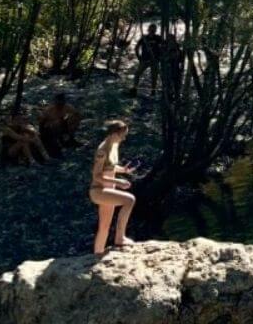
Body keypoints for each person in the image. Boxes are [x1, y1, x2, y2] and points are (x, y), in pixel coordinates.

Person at [89, 119, 136, 255]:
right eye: (123, 135)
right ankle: (120, 238)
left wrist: (124, 170)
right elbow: (97, 176)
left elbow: (110, 167)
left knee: (104, 226)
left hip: (109, 190)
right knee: (130, 200)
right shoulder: (102, 150)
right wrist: (119, 182)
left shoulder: (113, 146)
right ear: (115, 134)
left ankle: (97, 254)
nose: (124, 138)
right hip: (99, 191)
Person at [38, 92, 82, 157]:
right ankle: (57, 144)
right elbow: (41, 122)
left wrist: (74, 123)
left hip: (61, 125)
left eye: (62, 102)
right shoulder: (49, 110)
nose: (60, 104)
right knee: (56, 124)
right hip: (49, 128)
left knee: (69, 120)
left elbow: (76, 114)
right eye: (58, 102)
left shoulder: (67, 107)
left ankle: (70, 139)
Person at [130, 24, 164, 96]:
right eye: (151, 29)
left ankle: (153, 91)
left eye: (154, 30)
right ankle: (134, 89)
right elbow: (137, 47)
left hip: (155, 60)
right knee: (137, 74)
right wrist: (138, 57)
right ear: (148, 30)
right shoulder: (144, 38)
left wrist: (160, 57)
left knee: (154, 76)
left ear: (155, 30)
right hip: (144, 60)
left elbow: (163, 47)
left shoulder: (158, 38)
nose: (152, 31)